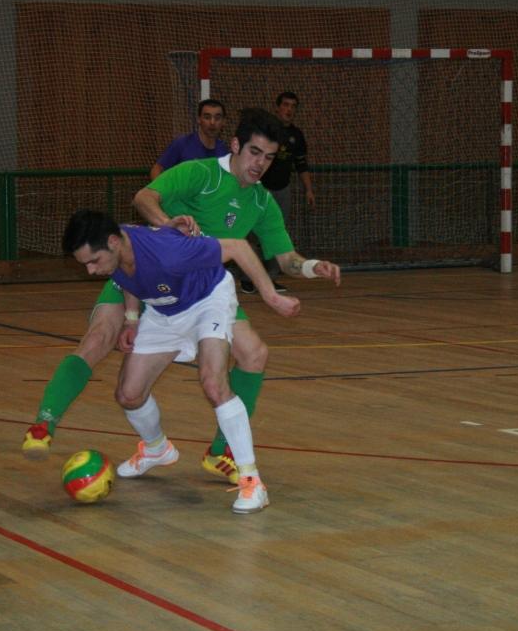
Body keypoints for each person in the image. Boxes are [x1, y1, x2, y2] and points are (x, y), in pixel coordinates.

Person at [23, 108, 341, 486]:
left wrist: (310, 266)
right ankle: (44, 423)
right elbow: (144, 197)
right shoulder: (201, 173)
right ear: (236, 145)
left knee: (254, 353)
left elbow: (286, 259)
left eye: (269, 157)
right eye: (255, 152)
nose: (260, 164)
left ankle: (221, 451)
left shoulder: (261, 203)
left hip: (201, 289)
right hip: (147, 272)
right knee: (99, 338)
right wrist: (167, 228)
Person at [61, 210, 300, 513]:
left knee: (213, 383)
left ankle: (252, 482)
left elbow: (238, 247)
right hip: (164, 311)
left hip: (207, 301)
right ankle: (156, 448)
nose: (91, 271)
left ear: (112, 242)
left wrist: (271, 296)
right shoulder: (118, 246)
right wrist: (132, 319)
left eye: (93, 261)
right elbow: (131, 278)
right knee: (129, 394)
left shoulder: (169, 253)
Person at [240, 91, 315, 294]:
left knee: (275, 234)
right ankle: (248, 278)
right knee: (249, 233)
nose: (289, 109)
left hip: (282, 189)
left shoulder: (296, 136)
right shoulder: (267, 132)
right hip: (259, 189)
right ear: (277, 107)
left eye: (293, 106)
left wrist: (308, 189)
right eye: (285, 105)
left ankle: (270, 278)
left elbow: (301, 164)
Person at [149, 99, 228, 181]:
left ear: (224, 121)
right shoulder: (182, 144)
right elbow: (157, 169)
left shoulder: (224, 151)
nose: (212, 122)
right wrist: (161, 192)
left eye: (217, 118)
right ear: (198, 119)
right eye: (207, 117)